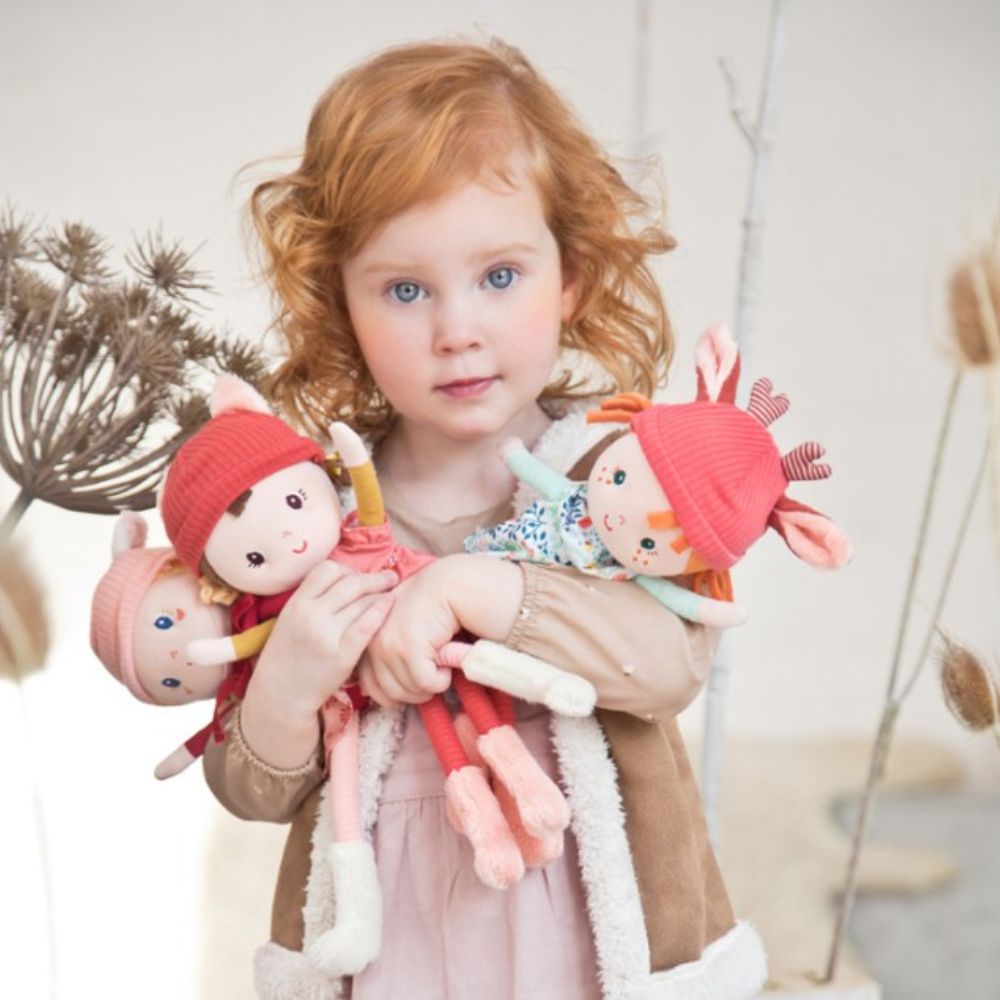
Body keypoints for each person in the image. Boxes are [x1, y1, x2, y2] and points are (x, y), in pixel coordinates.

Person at [203, 39, 768, 1000]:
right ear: (342, 305)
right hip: (394, 944)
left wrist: (479, 590)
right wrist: (290, 680)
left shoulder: (613, 476)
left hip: (587, 937)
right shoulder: (309, 519)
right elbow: (252, 791)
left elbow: (670, 658)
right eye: (405, 289)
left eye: (499, 276)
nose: (456, 330)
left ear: (570, 276)